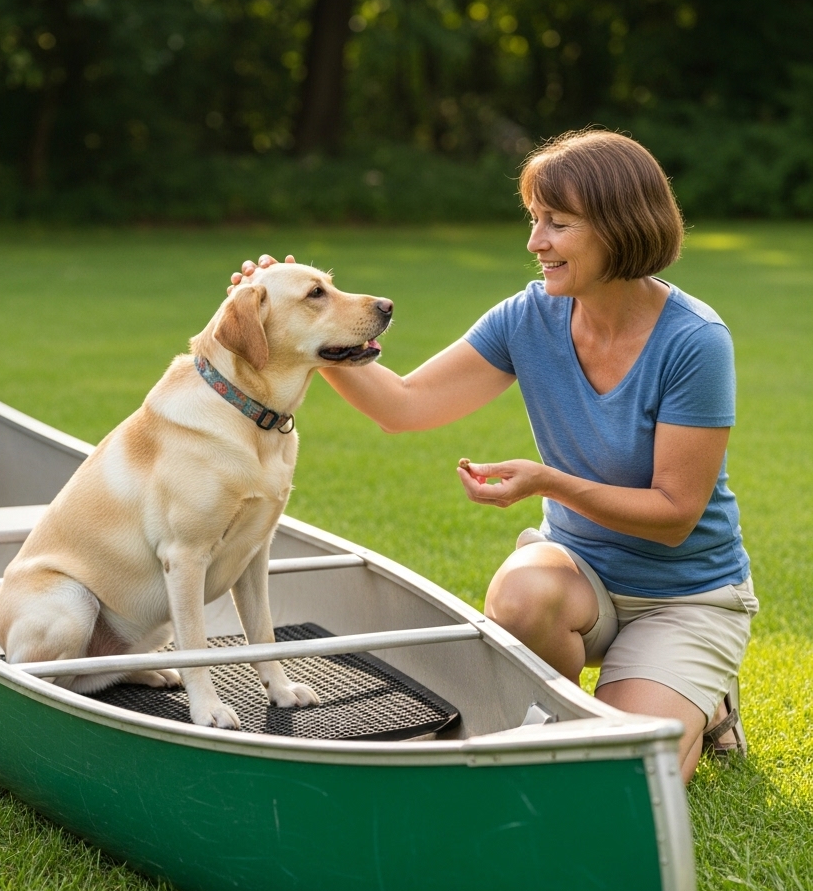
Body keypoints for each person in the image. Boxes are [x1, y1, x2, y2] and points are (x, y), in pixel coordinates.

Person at [229, 129, 756, 783]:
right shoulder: (528, 317)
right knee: (523, 593)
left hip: (685, 596)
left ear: (621, 228)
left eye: (557, 225)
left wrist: (549, 483)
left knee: (628, 777)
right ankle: (587, 721)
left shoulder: (694, 342)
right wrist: (300, 326)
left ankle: (704, 698)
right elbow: (405, 405)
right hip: (577, 575)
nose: (535, 243)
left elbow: (676, 514)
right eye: (535, 220)